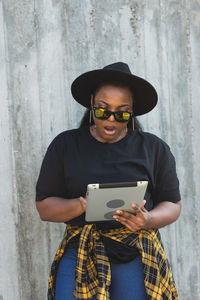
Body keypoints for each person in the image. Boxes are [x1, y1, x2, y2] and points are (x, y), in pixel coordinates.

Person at [36, 62, 181, 300]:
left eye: (122, 113)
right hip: (81, 250)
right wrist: (85, 204)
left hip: (135, 252)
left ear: (132, 111)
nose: (111, 120)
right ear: (91, 103)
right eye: (103, 110)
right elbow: (44, 207)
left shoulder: (154, 149)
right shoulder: (65, 145)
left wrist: (148, 220)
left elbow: (173, 205)